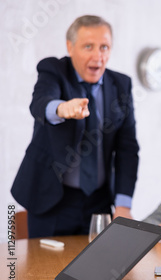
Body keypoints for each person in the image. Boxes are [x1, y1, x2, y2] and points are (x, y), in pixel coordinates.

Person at [11, 15, 139, 237]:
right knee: (44, 270)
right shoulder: (54, 70)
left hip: (98, 203)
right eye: (88, 46)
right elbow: (40, 103)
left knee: (95, 269)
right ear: (70, 47)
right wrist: (62, 109)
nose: (97, 56)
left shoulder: (121, 85)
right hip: (50, 199)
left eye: (104, 47)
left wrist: (123, 204)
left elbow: (128, 149)